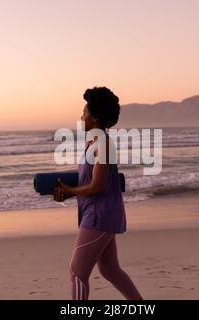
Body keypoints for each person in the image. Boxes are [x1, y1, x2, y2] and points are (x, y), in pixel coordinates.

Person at [53, 86, 143, 300]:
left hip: (100, 215)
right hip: (96, 213)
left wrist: (70, 191)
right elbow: (88, 180)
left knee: (77, 272)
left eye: (84, 113)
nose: (81, 117)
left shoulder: (103, 145)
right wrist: (66, 190)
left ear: (94, 118)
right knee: (110, 270)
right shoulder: (93, 143)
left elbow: (96, 186)